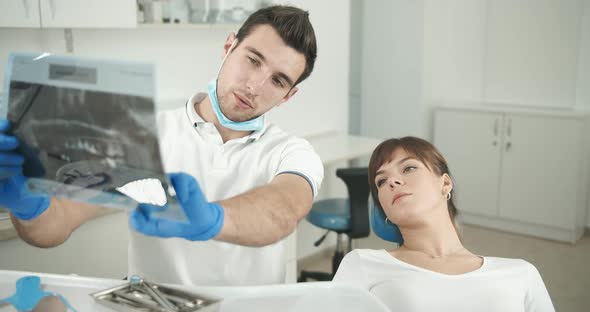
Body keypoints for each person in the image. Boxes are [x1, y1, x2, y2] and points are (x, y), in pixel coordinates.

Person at [0, 5, 323, 286]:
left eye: (278, 80)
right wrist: (27, 203)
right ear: (228, 46)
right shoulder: (143, 134)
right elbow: (52, 227)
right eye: (253, 60)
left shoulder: (292, 152)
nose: (254, 86)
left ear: (288, 95)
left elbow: (283, 210)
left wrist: (212, 220)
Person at [332, 137, 554, 312]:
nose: (392, 181)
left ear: (445, 183)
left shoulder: (520, 273)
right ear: (384, 209)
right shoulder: (362, 264)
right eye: (381, 181)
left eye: (408, 168)